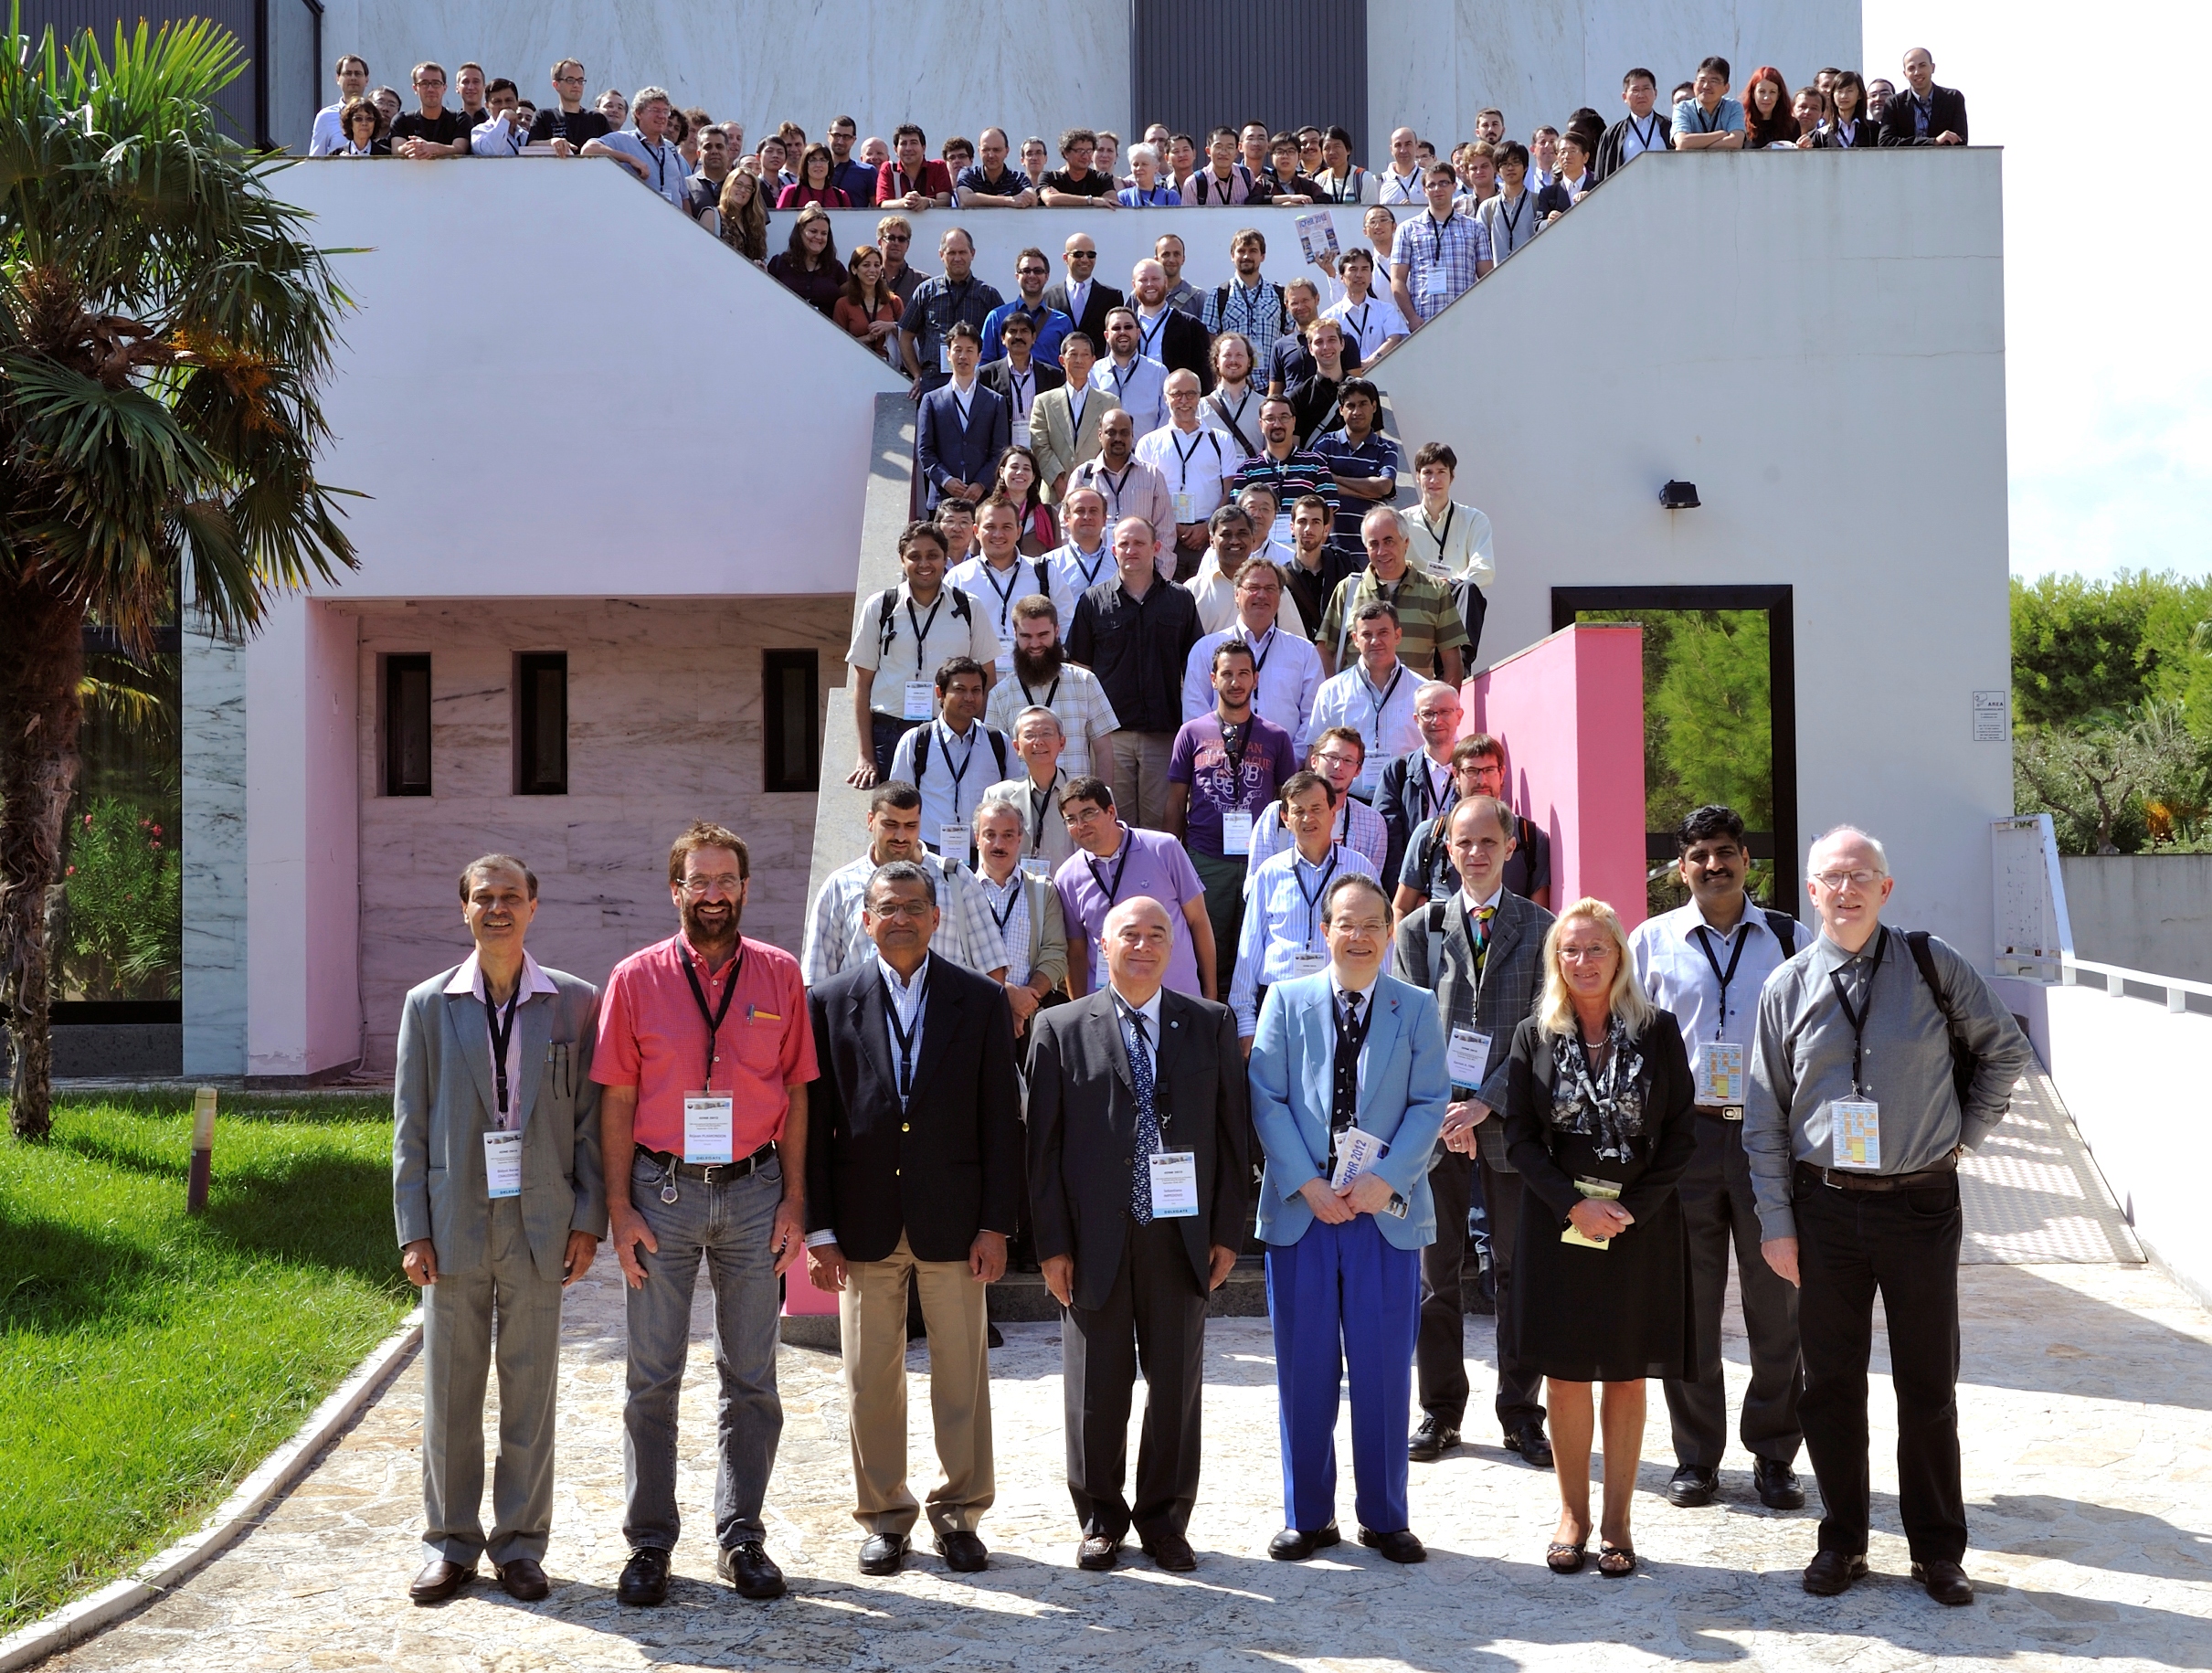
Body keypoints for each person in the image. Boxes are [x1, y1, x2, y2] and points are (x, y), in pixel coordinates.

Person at [1745, 826, 2032, 1604]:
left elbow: (2004, 1049)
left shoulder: (1932, 963)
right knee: (1829, 1385)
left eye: (1859, 876)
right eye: (1830, 878)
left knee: (1927, 1384)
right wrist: (1776, 1221)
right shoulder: (1786, 986)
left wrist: (1963, 1136)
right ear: (1810, 891)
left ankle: (1937, 1550)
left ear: (1885, 888)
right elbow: (1764, 1117)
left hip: (1920, 1204)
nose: (1845, 890)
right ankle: (1841, 1540)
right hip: (1822, 1207)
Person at [595, 823, 814, 1606]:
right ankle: (649, 1542)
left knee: (751, 1375)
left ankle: (741, 1535)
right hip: (663, 1192)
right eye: (699, 880)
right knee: (651, 1378)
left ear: (745, 889)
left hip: (755, 1191)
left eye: (726, 880)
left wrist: (794, 1198)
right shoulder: (635, 978)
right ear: (676, 890)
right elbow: (616, 1099)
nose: (713, 894)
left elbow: (797, 1093)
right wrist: (618, 1206)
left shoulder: (780, 974)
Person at [393, 855, 603, 1606]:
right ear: (464, 909)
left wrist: (588, 1220)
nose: (497, 908)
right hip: (454, 1222)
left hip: (541, 1222)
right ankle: (450, 1543)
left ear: (534, 906)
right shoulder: (428, 1004)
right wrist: (413, 1229)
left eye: (511, 895)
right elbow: (409, 1125)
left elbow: (589, 1123)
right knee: (450, 1392)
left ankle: (520, 1544)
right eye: (483, 897)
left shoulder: (574, 1002)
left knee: (529, 1392)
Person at [802, 860, 1021, 1578]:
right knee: (870, 1378)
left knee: (962, 1375)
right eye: (887, 907)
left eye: (913, 906)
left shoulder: (979, 1000)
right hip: (861, 1223)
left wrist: (996, 1223)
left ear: (935, 917)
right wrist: (819, 1230)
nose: (900, 918)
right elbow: (813, 1127)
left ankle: (959, 1512)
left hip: (955, 1221)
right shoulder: (826, 1002)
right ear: (865, 920)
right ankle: (884, 1515)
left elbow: (1001, 1120)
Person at [1026, 894, 1247, 1571]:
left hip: (1180, 1235)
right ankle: (1100, 1516)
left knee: (1175, 1385)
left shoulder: (1209, 1022)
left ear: (1172, 945)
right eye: (1130, 934)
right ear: (1103, 942)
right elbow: (1040, 1151)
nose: (1144, 945)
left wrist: (1227, 1232)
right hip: (1093, 1237)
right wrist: (1051, 1245)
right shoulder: (1059, 1027)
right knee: (1096, 1385)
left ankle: (1164, 1520)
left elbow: (1232, 1136)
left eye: (1157, 934)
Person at [1249, 872, 1449, 1563]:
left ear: (1389, 932)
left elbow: (1430, 1101)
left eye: (1371, 924)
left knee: (1383, 1370)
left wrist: (1383, 1179)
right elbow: (1266, 1098)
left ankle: (1384, 1515)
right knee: (1304, 1370)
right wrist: (1308, 1184)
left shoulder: (1415, 1007)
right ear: (1324, 930)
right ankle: (1308, 1516)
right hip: (1303, 1213)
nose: (1358, 935)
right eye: (1345, 922)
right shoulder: (1285, 1001)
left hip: (1383, 1215)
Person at [1502, 896, 1698, 1577]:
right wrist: (1572, 1206)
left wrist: (1630, 1210)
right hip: (1558, 1223)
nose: (1583, 960)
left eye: (1596, 948)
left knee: (1624, 1371)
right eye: (1570, 949)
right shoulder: (1533, 1033)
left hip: (1638, 1225)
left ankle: (1617, 1521)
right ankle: (1572, 1515)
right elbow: (1519, 1138)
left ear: (1619, 956)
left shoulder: (1657, 1030)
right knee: (1563, 1374)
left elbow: (1682, 1134)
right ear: (1555, 959)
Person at [1625, 805, 1810, 1514]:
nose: (1713, 865)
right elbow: (1631, 1044)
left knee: (1776, 1305)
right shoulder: (1650, 941)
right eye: (1699, 854)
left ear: (1745, 860)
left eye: (1725, 851)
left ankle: (1774, 1455)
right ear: (1681, 868)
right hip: (1686, 1140)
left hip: (1767, 1137)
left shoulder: (1789, 937)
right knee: (1689, 1307)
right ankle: (1696, 1458)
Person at [1388, 797, 1557, 1469]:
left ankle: (1521, 1414)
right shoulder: (1418, 929)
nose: (1476, 853)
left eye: (1489, 841)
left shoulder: (1542, 929)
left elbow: (1547, 1031)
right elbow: (1405, 1031)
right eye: (1464, 842)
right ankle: (1440, 1410)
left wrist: (1485, 1103)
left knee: (1518, 1273)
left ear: (1510, 847)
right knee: (1437, 1277)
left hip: (1512, 1126)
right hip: (1435, 1129)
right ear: (1447, 849)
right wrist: (1445, 1109)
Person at [1168, 640, 1300, 988]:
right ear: (1213, 679)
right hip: (1205, 858)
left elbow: (1287, 802)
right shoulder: (1191, 733)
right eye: (1227, 674)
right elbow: (1176, 800)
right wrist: (1172, 856)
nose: (1236, 682)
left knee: (1255, 946)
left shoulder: (1276, 737)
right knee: (1206, 947)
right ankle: (1209, 1008)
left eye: (1244, 673)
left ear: (1256, 678)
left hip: (1260, 860)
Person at [1066, 516, 1202, 831]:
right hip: (1111, 737)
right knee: (1114, 822)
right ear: (1114, 550)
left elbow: (1194, 668)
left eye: (1139, 543)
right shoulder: (1092, 601)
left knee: (1160, 823)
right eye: (1124, 544)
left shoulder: (1180, 599)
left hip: (1164, 733)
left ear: (1156, 547)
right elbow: (1081, 670)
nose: (1131, 550)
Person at [845, 522, 1002, 787]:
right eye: (915, 556)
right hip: (890, 735)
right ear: (902, 560)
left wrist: (975, 739)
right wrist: (865, 755)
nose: (924, 564)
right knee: (895, 811)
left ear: (945, 558)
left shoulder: (969, 607)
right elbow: (862, 685)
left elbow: (988, 681)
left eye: (932, 555)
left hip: (951, 733)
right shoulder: (880, 607)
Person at [804, 783, 1008, 986]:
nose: (901, 836)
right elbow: (816, 978)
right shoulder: (840, 886)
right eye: (891, 825)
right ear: (870, 820)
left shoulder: (956, 879)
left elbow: (991, 966)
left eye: (910, 826)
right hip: (864, 1007)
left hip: (946, 1006)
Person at [1230, 772, 1378, 1042]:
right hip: (1277, 1001)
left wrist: (1377, 1009)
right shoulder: (1269, 872)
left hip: (1341, 1003)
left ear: (1333, 813)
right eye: (1299, 811)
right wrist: (1246, 1022)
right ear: (1286, 818)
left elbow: (1380, 944)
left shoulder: (1360, 870)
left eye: (1316, 809)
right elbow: (1249, 950)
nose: (1308, 818)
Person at [1053, 779, 1214, 1000]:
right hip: (1110, 1007)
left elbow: (1198, 920)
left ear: (1111, 812)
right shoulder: (1067, 877)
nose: (1081, 825)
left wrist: (1210, 991)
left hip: (1179, 1000)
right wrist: (1080, 1010)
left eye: (1088, 813)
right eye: (1071, 820)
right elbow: (1076, 951)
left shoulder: (1164, 849)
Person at [1394, 733, 1554, 913]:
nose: (1481, 780)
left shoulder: (1530, 838)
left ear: (1502, 773)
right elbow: (1401, 908)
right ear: (1455, 775)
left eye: (1489, 770)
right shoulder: (1430, 835)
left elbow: (1540, 915)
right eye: (1471, 771)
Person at [1318, 509, 1468, 685]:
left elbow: (1452, 659)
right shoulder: (1348, 589)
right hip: (1357, 700)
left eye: (1388, 541)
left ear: (1406, 542)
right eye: (1374, 544)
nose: (1382, 551)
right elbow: (1324, 651)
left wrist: (1445, 701)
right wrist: (1335, 692)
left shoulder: (1436, 591)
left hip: (1414, 700)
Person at [887, 659, 1011, 863]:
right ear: (940, 693)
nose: (969, 697)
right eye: (960, 689)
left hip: (985, 855)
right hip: (929, 853)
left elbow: (1012, 804)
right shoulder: (916, 741)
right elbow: (897, 803)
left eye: (976, 690)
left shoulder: (998, 741)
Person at [1182, 552, 1321, 733]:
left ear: (1280, 596)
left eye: (1270, 588)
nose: (1261, 595)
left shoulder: (1304, 652)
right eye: (1253, 587)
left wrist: (1291, 751)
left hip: (1287, 751)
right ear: (1236, 594)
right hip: (1219, 750)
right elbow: (1195, 717)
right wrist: (1219, 750)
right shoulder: (1205, 649)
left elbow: (1314, 719)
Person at [986, 595, 1120, 780]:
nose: (1035, 644)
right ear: (1015, 634)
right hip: (1020, 798)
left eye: (1043, 635)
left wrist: (1104, 794)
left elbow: (1103, 749)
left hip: (1076, 796)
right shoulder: (999, 694)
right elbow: (993, 759)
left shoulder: (1085, 681)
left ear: (1056, 631)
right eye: (1026, 636)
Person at [970, 796, 1070, 1030]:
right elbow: (955, 959)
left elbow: (1055, 954)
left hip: (1029, 1021)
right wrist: (1008, 995)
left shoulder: (1043, 891)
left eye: (1007, 835)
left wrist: (1024, 1004)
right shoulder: (960, 892)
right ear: (977, 839)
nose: (999, 844)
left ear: (1019, 839)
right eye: (990, 834)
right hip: (975, 1017)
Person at [1247, 727, 1391, 877]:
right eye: (1332, 757)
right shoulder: (1276, 815)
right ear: (1314, 761)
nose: (1338, 766)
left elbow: (1370, 886)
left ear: (1358, 770)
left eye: (1348, 760)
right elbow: (1257, 881)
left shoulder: (1373, 823)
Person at [1138, 370, 1233, 573]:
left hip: (1209, 537)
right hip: (1164, 538)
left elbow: (1229, 489)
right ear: (1165, 398)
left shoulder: (1221, 440)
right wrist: (1172, 526)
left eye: (1190, 394)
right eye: (1176, 394)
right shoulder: (1149, 443)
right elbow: (1143, 494)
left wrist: (1208, 527)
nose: (1184, 401)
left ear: (1199, 397)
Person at [1371, 681, 1462, 888]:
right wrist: (1407, 893)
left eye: (1445, 712)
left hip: (1461, 887)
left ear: (1459, 715)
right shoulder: (1397, 771)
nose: (1436, 720)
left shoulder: (1473, 770)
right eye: (1428, 713)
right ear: (1416, 720)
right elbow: (1388, 840)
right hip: (1410, 889)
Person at [915, 323, 1011, 515]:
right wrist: (946, 480)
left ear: (979, 356)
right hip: (943, 498)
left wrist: (981, 483)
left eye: (969, 350)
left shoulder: (995, 401)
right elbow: (925, 451)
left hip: (983, 499)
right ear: (948, 354)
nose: (963, 356)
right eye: (957, 350)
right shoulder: (931, 400)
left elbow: (1000, 451)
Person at [949, 497, 1053, 670]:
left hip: (1033, 675)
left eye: (1006, 527)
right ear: (976, 531)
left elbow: (1065, 625)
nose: (998, 534)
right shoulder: (957, 578)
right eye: (990, 527)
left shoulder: (1044, 572)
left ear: (1019, 532)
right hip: (978, 678)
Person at [900, 228, 1003, 399]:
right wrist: (917, 374)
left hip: (974, 377)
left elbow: (1002, 339)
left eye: (962, 252)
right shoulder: (926, 291)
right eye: (951, 253)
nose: (957, 258)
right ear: (941, 255)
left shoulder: (987, 294)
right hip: (933, 378)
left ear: (972, 254)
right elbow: (905, 336)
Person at [981, 707, 1079, 874]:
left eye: (1046, 734)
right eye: (1029, 735)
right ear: (1016, 747)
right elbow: (987, 859)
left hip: (1070, 888)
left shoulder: (1088, 796)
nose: (1038, 741)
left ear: (1062, 743)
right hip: (1017, 888)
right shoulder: (998, 796)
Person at [1227, 397, 1338, 542]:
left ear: (1294, 422)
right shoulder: (1247, 469)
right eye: (1270, 418)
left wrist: (1313, 551)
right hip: (1260, 550)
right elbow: (1238, 514)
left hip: (1303, 550)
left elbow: (1327, 515)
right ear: (1261, 424)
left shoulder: (1316, 464)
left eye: (1284, 417)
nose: (1277, 424)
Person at [1311, 380, 1402, 555]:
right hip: (1330, 544)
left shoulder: (1387, 448)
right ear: (1341, 410)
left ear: (1374, 406)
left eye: (1363, 404)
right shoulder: (1325, 443)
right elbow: (1316, 484)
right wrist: (1368, 491)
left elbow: (1384, 487)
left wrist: (1336, 479)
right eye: (1350, 405)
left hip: (1371, 546)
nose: (1357, 411)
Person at [1068, 408, 1175, 556]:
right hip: (1092, 564)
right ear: (1100, 435)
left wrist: (1160, 569)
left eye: (1124, 433)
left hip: (1138, 564)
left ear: (1132, 435)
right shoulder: (1084, 475)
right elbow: (1066, 525)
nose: (1118, 438)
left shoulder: (1152, 475)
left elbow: (1165, 530)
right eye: (1111, 432)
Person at [1392, 164, 1488, 326]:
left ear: (1454, 186)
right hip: (1424, 321)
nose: (1437, 189)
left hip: (1466, 320)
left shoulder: (1475, 228)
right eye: (1431, 185)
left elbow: (1487, 277)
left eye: (1443, 183)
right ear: (1424, 190)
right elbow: (1397, 279)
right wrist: (1412, 318)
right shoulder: (1407, 229)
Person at [1030, 339, 1117, 508]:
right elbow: (1039, 445)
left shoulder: (1110, 403)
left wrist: (1088, 481)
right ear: (1062, 360)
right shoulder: (1043, 401)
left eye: (1085, 354)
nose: (1079, 360)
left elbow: (1110, 447)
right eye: (1073, 354)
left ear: (1093, 360)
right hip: (1054, 494)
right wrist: (1058, 481)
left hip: (1096, 491)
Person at [1200, 229, 1289, 366]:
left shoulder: (1280, 294)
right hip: (1233, 376)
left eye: (1253, 251)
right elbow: (1210, 341)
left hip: (1271, 378)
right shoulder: (1218, 294)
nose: (1246, 256)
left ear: (1262, 256)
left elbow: (1292, 336)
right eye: (1241, 251)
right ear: (1232, 256)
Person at [1280, 492, 1360, 639]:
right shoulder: (1282, 579)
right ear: (1292, 527)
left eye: (1315, 522)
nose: (1308, 529)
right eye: (1302, 522)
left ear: (1326, 529)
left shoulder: (1344, 566)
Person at [979, 249, 1074, 370]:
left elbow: (1069, 364)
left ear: (1047, 276)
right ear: (1017, 276)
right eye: (1026, 271)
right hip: (1005, 382)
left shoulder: (1062, 322)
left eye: (1038, 271)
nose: (1032, 275)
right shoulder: (996, 317)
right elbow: (984, 363)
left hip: (1049, 382)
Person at [1128, 259, 1212, 391]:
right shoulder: (1123, 328)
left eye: (1155, 279)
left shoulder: (1192, 327)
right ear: (1134, 285)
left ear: (1165, 282)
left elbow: (1204, 381)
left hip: (1175, 401)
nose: (1150, 284)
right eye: (1143, 280)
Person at [1320, 249, 1410, 367]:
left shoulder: (1386, 310)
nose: (1359, 275)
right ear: (1342, 277)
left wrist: (1371, 361)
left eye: (1364, 269)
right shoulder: (1330, 317)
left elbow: (1395, 338)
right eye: (1353, 269)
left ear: (1371, 276)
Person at [1089, 309, 1170, 440]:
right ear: (1106, 336)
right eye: (1116, 328)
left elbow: (1166, 418)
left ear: (1138, 333)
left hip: (1147, 452)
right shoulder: (1093, 372)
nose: (1122, 332)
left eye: (1128, 327)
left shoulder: (1158, 372)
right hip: (1104, 451)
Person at [1039, 484, 1115, 622]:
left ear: (1104, 519)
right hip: (1065, 635)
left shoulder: (1118, 563)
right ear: (1066, 519)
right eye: (1080, 511)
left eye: (1093, 511)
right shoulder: (1048, 563)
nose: (1087, 517)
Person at [1041, 233, 1124, 347]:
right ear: (1065, 258)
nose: (1085, 260)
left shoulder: (1112, 297)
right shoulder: (1047, 297)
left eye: (1090, 255)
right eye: (1078, 254)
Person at [767, 205, 849, 317]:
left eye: (824, 233)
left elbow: (852, 301)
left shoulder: (836, 268)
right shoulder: (779, 263)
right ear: (800, 231)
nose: (819, 237)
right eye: (813, 231)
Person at [1881, 47, 1968, 146]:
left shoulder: (1953, 98)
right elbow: (1885, 142)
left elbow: (1960, 139)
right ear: (1905, 74)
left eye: (1922, 65)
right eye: (1911, 68)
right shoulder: (1894, 103)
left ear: (1933, 68)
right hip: (1905, 157)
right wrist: (1933, 142)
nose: (1917, 72)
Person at [1199, 332, 1263, 459]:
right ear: (1217, 361)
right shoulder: (1199, 408)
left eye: (1239, 355)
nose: (1233, 360)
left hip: (1253, 472)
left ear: (1249, 361)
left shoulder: (1264, 406)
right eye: (1227, 355)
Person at [835, 245, 904, 362]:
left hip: (890, 367)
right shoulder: (843, 304)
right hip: (855, 363)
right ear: (854, 269)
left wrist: (891, 326)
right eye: (866, 265)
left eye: (877, 265)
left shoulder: (894, 301)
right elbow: (838, 344)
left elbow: (908, 336)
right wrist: (867, 338)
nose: (872, 270)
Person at [390, 62, 471, 159]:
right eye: (424, 83)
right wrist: (417, 147)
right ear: (415, 88)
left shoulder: (460, 119)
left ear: (444, 88)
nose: (430, 89)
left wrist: (434, 148)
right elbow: (396, 150)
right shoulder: (402, 120)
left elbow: (460, 149)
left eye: (436, 83)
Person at [526, 59, 609, 152]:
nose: (576, 85)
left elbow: (613, 147)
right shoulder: (544, 116)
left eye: (580, 80)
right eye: (570, 80)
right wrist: (552, 142)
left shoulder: (597, 119)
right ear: (556, 85)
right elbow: (531, 146)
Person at [990, 445, 1060, 555]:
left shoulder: (1049, 514)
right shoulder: (988, 512)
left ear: (1033, 477)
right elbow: (975, 555)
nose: (1020, 472)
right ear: (1002, 472)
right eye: (1014, 467)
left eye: (1026, 468)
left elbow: (1058, 557)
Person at [956, 126, 1041, 208]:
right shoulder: (968, 174)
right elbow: (965, 199)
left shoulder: (1018, 178)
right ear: (979, 151)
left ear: (1007, 151)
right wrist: (1009, 200)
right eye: (986, 150)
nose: (991, 155)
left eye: (996, 150)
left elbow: (1032, 199)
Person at [1674, 57, 1747, 150]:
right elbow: (1682, 142)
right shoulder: (1683, 108)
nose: (1706, 86)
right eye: (1702, 80)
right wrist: (1721, 134)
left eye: (1713, 81)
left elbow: (1736, 142)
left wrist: (1694, 146)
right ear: (1694, 85)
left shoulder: (1733, 107)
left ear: (1726, 88)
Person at [876, 123, 954, 207]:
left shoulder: (938, 167)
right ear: (895, 150)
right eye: (903, 143)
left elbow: (945, 201)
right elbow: (883, 204)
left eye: (913, 143)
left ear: (923, 148)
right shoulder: (889, 169)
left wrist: (928, 202)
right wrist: (904, 202)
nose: (908, 148)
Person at [1183, 125, 1264, 206]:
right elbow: (1188, 214)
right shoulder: (1193, 184)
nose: (1223, 152)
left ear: (1236, 152)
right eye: (1218, 147)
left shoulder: (1247, 176)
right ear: (1208, 151)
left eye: (1230, 147)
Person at [309, 53, 371, 154]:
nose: (353, 78)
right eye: (348, 73)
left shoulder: (374, 115)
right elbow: (316, 159)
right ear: (338, 78)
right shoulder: (325, 117)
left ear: (367, 80)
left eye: (358, 73)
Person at [1040, 126, 1117, 207]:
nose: (1085, 156)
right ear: (1066, 153)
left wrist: (1062, 198)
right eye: (1080, 151)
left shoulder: (1102, 178)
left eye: (1089, 151)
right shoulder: (1050, 177)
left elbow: (1111, 201)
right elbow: (1050, 200)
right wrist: (1091, 200)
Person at [1535, 131, 1594, 219]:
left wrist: (1593, 199)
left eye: (1573, 151)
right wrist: (1549, 221)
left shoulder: (1598, 188)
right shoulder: (1548, 193)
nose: (1567, 156)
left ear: (1585, 157)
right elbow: (1539, 224)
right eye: (1563, 152)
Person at [1814, 70, 1879, 151]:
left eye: (1849, 91)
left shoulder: (1873, 129)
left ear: (1860, 95)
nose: (1844, 96)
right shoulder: (1822, 134)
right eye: (1839, 91)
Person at [469, 80, 533, 159]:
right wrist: (504, 117)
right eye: (497, 102)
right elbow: (492, 152)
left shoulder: (525, 135)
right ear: (487, 106)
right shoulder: (479, 132)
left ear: (517, 103)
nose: (504, 106)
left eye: (508, 100)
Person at [875, 215, 927, 310]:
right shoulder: (866, 278)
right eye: (891, 238)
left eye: (902, 239)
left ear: (907, 245)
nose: (896, 243)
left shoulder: (923, 282)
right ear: (880, 242)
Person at [1310, 124, 1374, 203]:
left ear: (1348, 150)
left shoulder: (1363, 178)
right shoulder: (1320, 180)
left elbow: (1370, 209)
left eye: (1337, 146)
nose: (1331, 152)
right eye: (1327, 148)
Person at [823, 113, 878, 202]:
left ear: (853, 140)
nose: (840, 141)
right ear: (828, 136)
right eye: (836, 135)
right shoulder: (817, 169)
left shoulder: (867, 172)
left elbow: (876, 207)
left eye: (846, 137)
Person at [716, 169, 768, 262]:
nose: (743, 190)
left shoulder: (753, 222)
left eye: (748, 188)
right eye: (738, 184)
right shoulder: (713, 215)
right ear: (728, 185)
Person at [777, 143, 851, 207]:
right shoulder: (791, 192)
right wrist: (803, 213)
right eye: (813, 160)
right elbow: (779, 218)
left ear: (829, 165)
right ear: (805, 165)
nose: (818, 165)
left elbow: (848, 219)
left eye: (823, 160)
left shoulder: (841, 196)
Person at [1742, 67, 1797, 150]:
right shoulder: (1740, 124)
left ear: (1778, 95)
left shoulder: (1792, 125)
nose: (1766, 97)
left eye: (1772, 92)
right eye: (1762, 92)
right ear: (1753, 93)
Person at [1154, 231, 1202, 316]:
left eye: (1176, 254)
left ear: (1183, 259)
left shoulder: (1198, 298)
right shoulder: (1140, 296)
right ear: (1156, 260)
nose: (1171, 260)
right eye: (1166, 254)